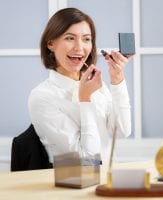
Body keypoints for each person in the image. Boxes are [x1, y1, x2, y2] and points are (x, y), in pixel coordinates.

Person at [28, 7, 132, 164]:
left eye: (86, 39)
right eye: (70, 38)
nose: (79, 47)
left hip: (108, 181)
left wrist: (117, 80)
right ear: (51, 44)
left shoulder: (96, 85)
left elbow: (122, 131)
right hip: (74, 185)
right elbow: (87, 161)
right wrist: (85, 99)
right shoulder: (42, 97)